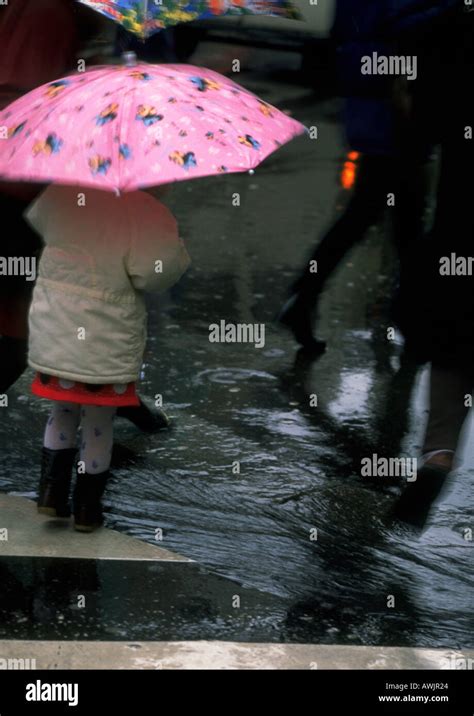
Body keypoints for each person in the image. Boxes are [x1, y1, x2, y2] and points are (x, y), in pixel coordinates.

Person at [24, 184, 190, 531]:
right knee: (99, 424)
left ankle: (51, 496)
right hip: (106, 337)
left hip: (57, 328)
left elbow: (38, 218)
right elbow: (154, 274)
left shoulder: (62, 192)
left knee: (62, 412)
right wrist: (178, 250)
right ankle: (87, 510)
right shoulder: (144, 211)